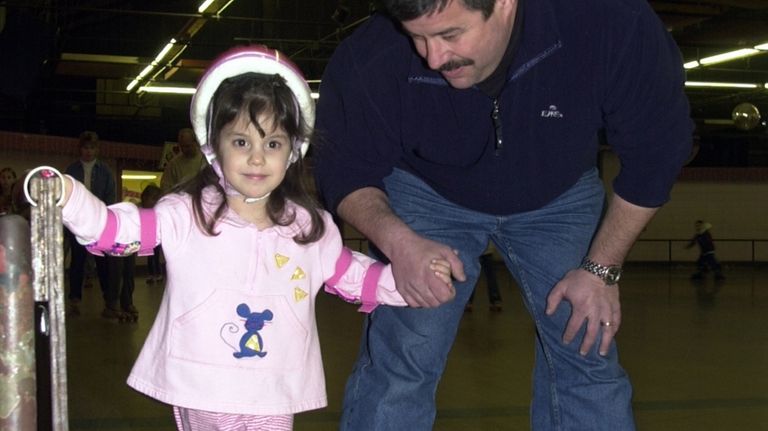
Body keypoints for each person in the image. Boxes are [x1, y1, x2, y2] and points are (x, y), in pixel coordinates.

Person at [313, 0, 694, 429]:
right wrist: (399, 243)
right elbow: (343, 167)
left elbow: (656, 152)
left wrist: (601, 270)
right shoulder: (374, 52)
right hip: (427, 190)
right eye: (417, 36)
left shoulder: (609, 22)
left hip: (559, 192)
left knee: (587, 348)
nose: (433, 58)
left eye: (450, 35)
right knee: (404, 352)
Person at [52, 46, 453, 430]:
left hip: (273, 389)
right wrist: (69, 197)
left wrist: (411, 280)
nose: (257, 157)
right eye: (242, 142)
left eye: (273, 143)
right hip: (203, 385)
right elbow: (116, 231)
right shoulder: (184, 214)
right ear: (214, 148)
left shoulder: (308, 228)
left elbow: (354, 275)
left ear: (293, 152)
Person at [65, 131, 121, 318]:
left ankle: (110, 301)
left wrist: (107, 219)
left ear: (97, 149)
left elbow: (110, 196)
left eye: (92, 147)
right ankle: (74, 300)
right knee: (77, 263)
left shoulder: (104, 171)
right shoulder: (71, 170)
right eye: (85, 147)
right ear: (80, 149)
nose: (88, 151)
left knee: (103, 263)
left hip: (99, 223)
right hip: (75, 223)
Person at [160, 127, 206, 192]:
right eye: (182, 146)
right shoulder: (173, 164)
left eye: (187, 146)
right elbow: (165, 186)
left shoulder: (206, 159)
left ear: (195, 143)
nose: (184, 149)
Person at [140, 184, 165, 284]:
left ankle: (158, 274)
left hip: (156, 236)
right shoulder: (143, 209)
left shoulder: (158, 210)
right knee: (150, 257)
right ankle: (152, 274)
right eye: (153, 199)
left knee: (156, 256)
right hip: (149, 236)